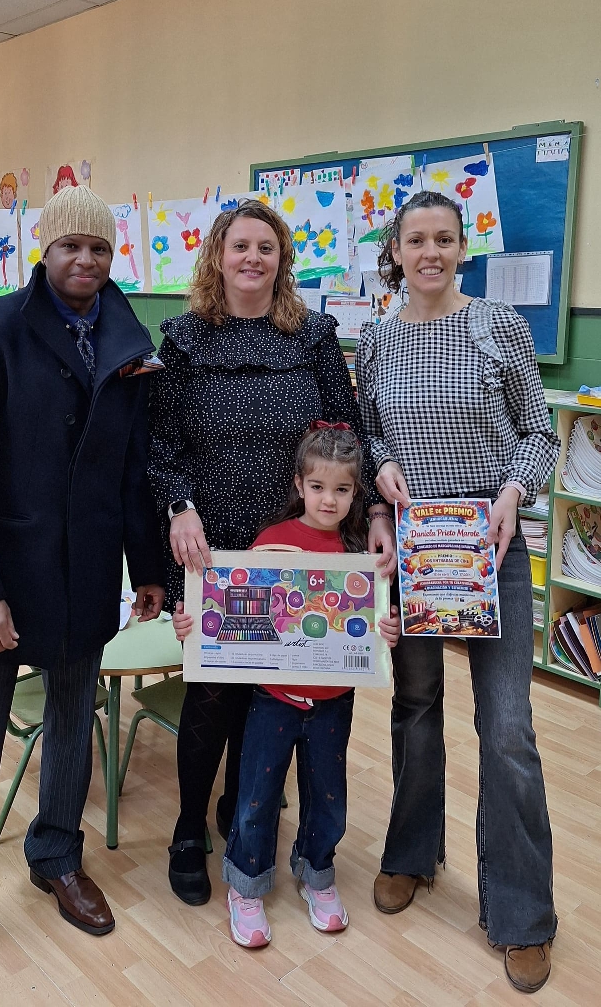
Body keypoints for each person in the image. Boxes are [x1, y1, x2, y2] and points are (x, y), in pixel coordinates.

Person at [0, 185, 165, 996]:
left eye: (99, 248)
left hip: (87, 571)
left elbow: (132, 468)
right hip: (3, 578)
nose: (86, 261)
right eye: (71, 248)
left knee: (72, 722)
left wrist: (152, 567)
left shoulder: (129, 339)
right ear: (44, 249)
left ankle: (57, 856)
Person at [148, 199, 396, 907]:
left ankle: (241, 808)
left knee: (275, 697)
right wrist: (180, 507)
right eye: (240, 247)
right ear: (217, 257)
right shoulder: (185, 340)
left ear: (282, 258)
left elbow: (346, 435)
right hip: (212, 548)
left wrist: (368, 508)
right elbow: (162, 450)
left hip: (300, 547)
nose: (253, 259)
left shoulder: (313, 335)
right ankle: (190, 828)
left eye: (266, 247)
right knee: (211, 700)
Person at [355, 190, 560, 995]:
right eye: (416, 240)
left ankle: (522, 912)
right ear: (396, 251)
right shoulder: (375, 341)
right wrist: (378, 476)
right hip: (415, 549)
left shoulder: (498, 327)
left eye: (444, 239)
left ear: (461, 249)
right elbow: (369, 427)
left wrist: (513, 491)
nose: (430, 252)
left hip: (489, 543)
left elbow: (540, 433)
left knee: (507, 727)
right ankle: (411, 854)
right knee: (415, 708)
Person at [173, 424, 400, 946]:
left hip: (332, 704)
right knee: (256, 796)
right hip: (273, 702)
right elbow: (231, 618)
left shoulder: (360, 556)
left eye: (342, 490)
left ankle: (317, 873)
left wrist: (386, 634)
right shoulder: (270, 544)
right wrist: (193, 627)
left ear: (355, 494)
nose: (329, 499)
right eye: (318, 487)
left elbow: (371, 632)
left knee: (328, 799)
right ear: (299, 485)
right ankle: (246, 887)